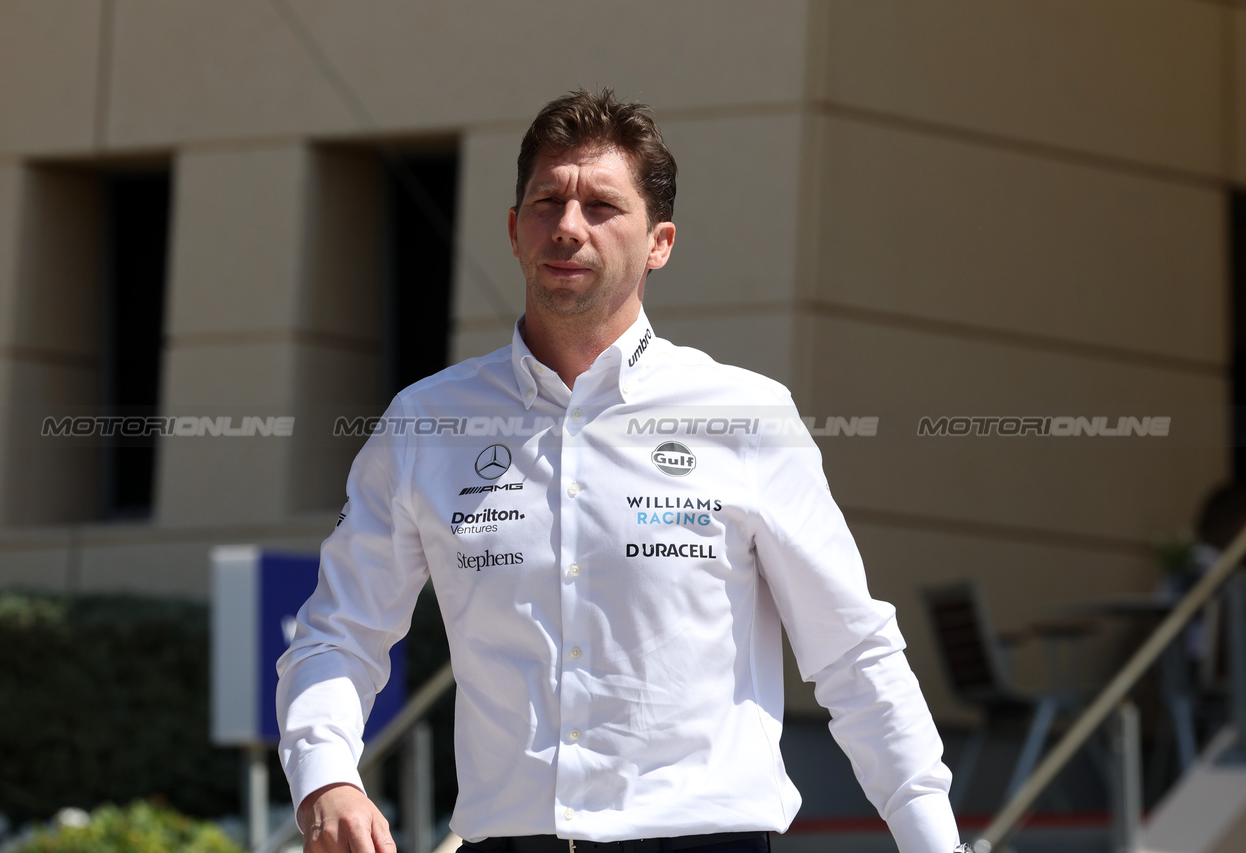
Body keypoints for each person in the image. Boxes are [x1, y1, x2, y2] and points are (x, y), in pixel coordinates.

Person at [277, 88, 963, 853]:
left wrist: (933, 838)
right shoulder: (425, 424)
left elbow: (852, 652)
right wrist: (326, 776)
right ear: (512, 230)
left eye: (601, 206)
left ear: (660, 241)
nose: (568, 227)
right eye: (546, 202)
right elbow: (338, 633)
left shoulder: (746, 417)